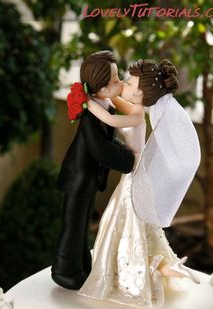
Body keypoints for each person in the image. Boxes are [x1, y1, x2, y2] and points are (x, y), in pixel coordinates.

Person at [78, 59, 201, 308]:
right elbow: (118, 103)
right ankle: (165, 266)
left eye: (130, 83)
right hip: (135, 174)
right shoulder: (138, 110)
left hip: (135, 177)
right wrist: (109, 96)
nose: (124, 83)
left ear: (141, 93)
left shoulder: (136, 117)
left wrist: (89, 103)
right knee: (139, 228)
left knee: (126, 226)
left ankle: (147, 270)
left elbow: (112, 120)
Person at [51, 51, 136, 290]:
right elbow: (101, 149)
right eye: (115, 80)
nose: (120, 83)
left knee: (83, 222)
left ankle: (81, 265)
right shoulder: (90, 115)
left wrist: (126, 151)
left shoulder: (104, 105)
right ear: (100, 88)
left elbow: (107, 142)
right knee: (73, 225)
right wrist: (129, 158)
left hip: (87, 178)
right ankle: (64, 270)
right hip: (78, 178)